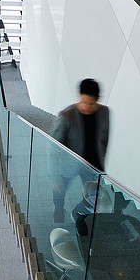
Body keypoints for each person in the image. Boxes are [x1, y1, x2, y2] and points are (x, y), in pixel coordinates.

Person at [51, 79, 110, 223]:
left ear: (97, 100)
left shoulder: (104, 112)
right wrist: (54, 176)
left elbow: (104, 140)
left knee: (92, 198)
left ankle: (78, 213)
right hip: (68, 165)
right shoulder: (66, 115)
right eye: (83, 102)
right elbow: (53, 147)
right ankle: (58, 208)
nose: (86, 107)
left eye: (91, 103)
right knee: (59, 191)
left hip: (92, 165)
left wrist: (101, 169)